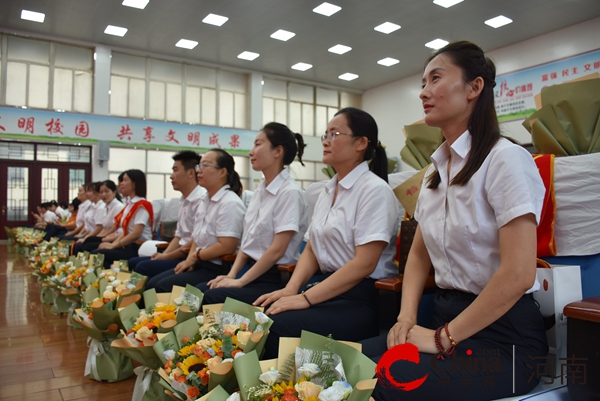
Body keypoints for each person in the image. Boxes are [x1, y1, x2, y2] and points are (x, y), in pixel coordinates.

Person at [365, 41, 548, 400]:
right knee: (350, 356)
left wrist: (441, 338)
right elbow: (419, 255)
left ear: (474, 87)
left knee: (386, 378)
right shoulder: (436, 172)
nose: (424, 92)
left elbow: (518, 274)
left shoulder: (506, 160)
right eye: (422, 83)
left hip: (505, 340)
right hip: (446, 318)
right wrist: (406, 319)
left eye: (435, 78)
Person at [255, 108, 399, 359]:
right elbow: (311, 248)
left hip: (360, 299)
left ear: (361, 143)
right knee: (260, 313)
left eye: (335, 134)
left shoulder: (375, 190)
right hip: (325, 287)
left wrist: (306, 299)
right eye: (325, 134)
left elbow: (364, 263)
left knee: (276, 326)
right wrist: (291, 289)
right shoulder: (326, 190)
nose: (325, 141)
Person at [197, 122, 308, 305]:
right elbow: (247, 241)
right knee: (200, 292)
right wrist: (231, 275)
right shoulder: (260, 190)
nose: (251, 152)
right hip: (251, 273)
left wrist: (240, 281)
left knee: (209, 298)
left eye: (258, 144)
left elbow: (277, 250)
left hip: (274, 279)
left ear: (277, 151)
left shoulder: (290, 192)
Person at [147, 149, 246, 292]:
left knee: (163, 286)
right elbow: (196, 238)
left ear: (222, 172)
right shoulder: (205, 200)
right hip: (200, 262)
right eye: (199, 166)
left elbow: (227, 246)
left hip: (217, 267)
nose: (199, 171)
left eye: (205, 166)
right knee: (153, 283)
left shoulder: (230, 203)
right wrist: (189, 260)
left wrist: (195, 256)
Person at [131, 150, 206, 275]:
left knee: (142, 267)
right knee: (134, 262)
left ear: (191, 173)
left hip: (191, 257)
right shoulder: (183, 200)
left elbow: (194, 240)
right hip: (180, 253)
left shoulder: (201, 200)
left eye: (175, 170)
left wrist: (167, 256)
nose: (171, 176)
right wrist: (163, 255)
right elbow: (179, 236)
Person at [93, 169, 153, 268]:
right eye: (121, 181)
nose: (121, 184)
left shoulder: (142, 205)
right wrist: (112, 243)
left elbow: (136, 234)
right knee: (99, 250)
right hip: (127, 244)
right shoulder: (129, 204)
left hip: (138, 246)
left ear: (134, 184)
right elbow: (125, 232)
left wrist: (113, 245)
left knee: (98, 253)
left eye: (125, 180)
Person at [72, 180, 124, 254]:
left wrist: (100, 238)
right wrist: (97, 237)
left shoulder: (118, 207)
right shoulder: (106, 206)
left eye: (106, 191)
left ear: (114, 192)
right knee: (87, 241)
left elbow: (113, 229)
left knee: (87, 245)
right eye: (101, 192)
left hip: (115, 238)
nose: (103, 194)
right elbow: (104, 228)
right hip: (108, 236)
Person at [73, 182, 106, 253]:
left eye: (90, 191)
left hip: (97, 235)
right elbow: (86, 225)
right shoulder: (92, 205)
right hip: (89, 235)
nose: (87, 194)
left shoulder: (101, 207)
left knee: (79, 245)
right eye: (87, 191)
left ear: (97, 193)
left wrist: (86, 238)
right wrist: (81, 235)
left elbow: (99, 228)